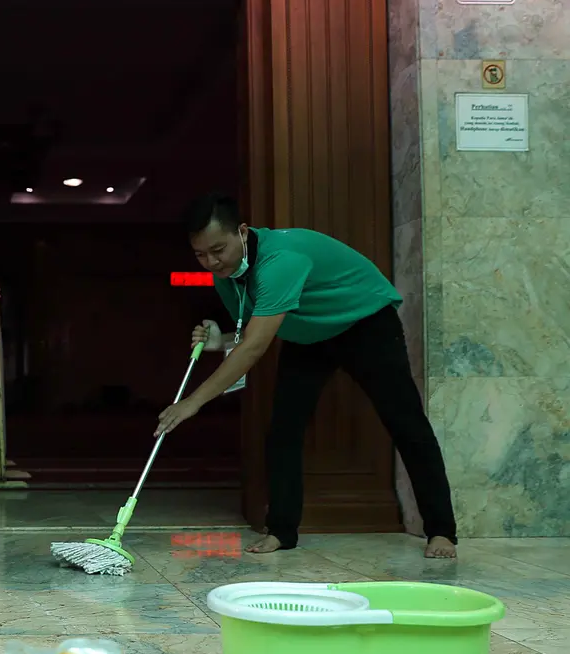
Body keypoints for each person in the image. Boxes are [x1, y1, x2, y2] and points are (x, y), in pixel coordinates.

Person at [154, 193, 458, 559]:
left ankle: (441, 531)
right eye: (200, 255)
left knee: (405, 422)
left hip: (363, 322)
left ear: (243, 232)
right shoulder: (227, 276)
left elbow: (254, 347)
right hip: (308, 335)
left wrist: (193, 402)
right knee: (284, 429)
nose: (211, 262)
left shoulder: (280, 259)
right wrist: (220, 341)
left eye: (218, 250)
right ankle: (282, 531)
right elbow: (248, 331)